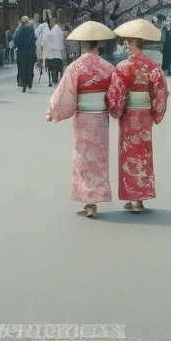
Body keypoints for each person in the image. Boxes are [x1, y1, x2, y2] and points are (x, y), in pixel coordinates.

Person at [45, 20, 118, 218]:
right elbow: (115, 94)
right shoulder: (108, 67)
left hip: (83, 118)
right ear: (97, 45)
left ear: (82, 44)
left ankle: (88, 201)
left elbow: (64, 94)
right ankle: (96, 198)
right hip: (101, 118)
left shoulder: (75, 67)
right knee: (99, 158)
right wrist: (115, 110)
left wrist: (54, 110)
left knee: (84, 157)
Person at [109, 19, 170, 212]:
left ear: (130, 45)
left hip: (129, 115)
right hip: (144, 115)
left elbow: (116, 91)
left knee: (128, 153)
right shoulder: (152, 66)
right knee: (143, 152)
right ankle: (140, 199)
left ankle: (132, 195)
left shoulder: (124, 67)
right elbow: (160, 90)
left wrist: (116, 109)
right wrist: (155, 111)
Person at [41, 16, 67, 87]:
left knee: (53, 65)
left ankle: (53, 77)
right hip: (56, 52)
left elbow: (48, 40)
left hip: (53, 51)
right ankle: (56, 76)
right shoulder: (57, 30)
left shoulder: (54, 30)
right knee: (56, 65)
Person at [14, 16, 38, 92]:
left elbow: (16, 41)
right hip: (30, 52)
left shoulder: (19, 30)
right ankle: (29, 82)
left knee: (23, 68)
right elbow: (33, 41)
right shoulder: (31, 30)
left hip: (21, 53)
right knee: (30, 68)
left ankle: (24, 84)